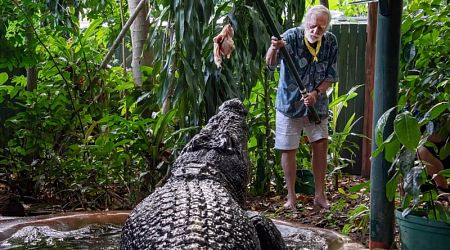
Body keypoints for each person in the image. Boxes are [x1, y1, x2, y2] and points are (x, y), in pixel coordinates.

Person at [265, 5, 338, 209]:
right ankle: (291, 197)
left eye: (321, 28)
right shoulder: (290, 37)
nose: (315, 31)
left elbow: (331, 76)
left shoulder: (331, 42)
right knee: (288, 148)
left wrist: (316, 93)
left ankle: (320, 196)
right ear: (306, 22)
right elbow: (270, 64)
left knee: (321, 143)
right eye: (312, 26)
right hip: (289, 103)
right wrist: (274, 47)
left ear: (326, 28)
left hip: (317, 104)